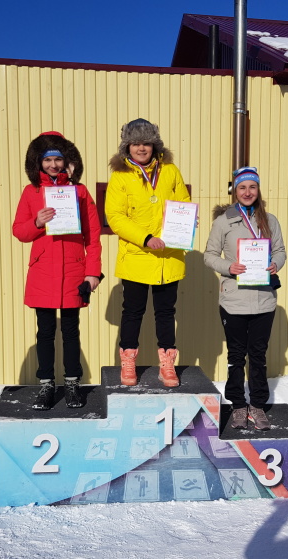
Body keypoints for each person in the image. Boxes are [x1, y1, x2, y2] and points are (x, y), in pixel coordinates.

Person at [13, 131, 102, 410]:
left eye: (58, 159)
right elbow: (19, 231)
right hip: (43, 273)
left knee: (71, 330)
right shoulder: (31, 193)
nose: (53, 165)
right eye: (48, 159)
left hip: (74, 271)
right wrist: (37, 222)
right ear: (38, 163)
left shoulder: (80, 191)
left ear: (68, 163)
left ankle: (73, 383)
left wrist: (92, 273)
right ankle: (46, 385)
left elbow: (93, 235)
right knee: (45, 331)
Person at [105, 118, 191, 387]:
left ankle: (167, 365)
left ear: (155, 145)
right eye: (135, 143)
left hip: (168, 257)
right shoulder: (120, 176)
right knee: (133, 312)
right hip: (137, 257)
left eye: (146, 143)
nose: (141, 148)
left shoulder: (171, 171)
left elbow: (183, 203)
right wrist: (145, 238)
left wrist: (188, 221)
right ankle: (128, 362)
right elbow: (115, 217)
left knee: (166, 313)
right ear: (127, 147)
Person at [204, 167, 286, 431]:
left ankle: (258, 406)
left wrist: (275, 264)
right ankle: (238, 406)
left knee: (258, 355)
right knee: (236, 355)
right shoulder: (223, 221)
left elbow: (281, 251)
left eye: (252, 187)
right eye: (242, 187)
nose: (248, 192)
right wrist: (230, 267)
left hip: (264, 299)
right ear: (235, 191)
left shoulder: (270, 220)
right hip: (234, 300)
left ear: (258, 190)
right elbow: (209, 255)